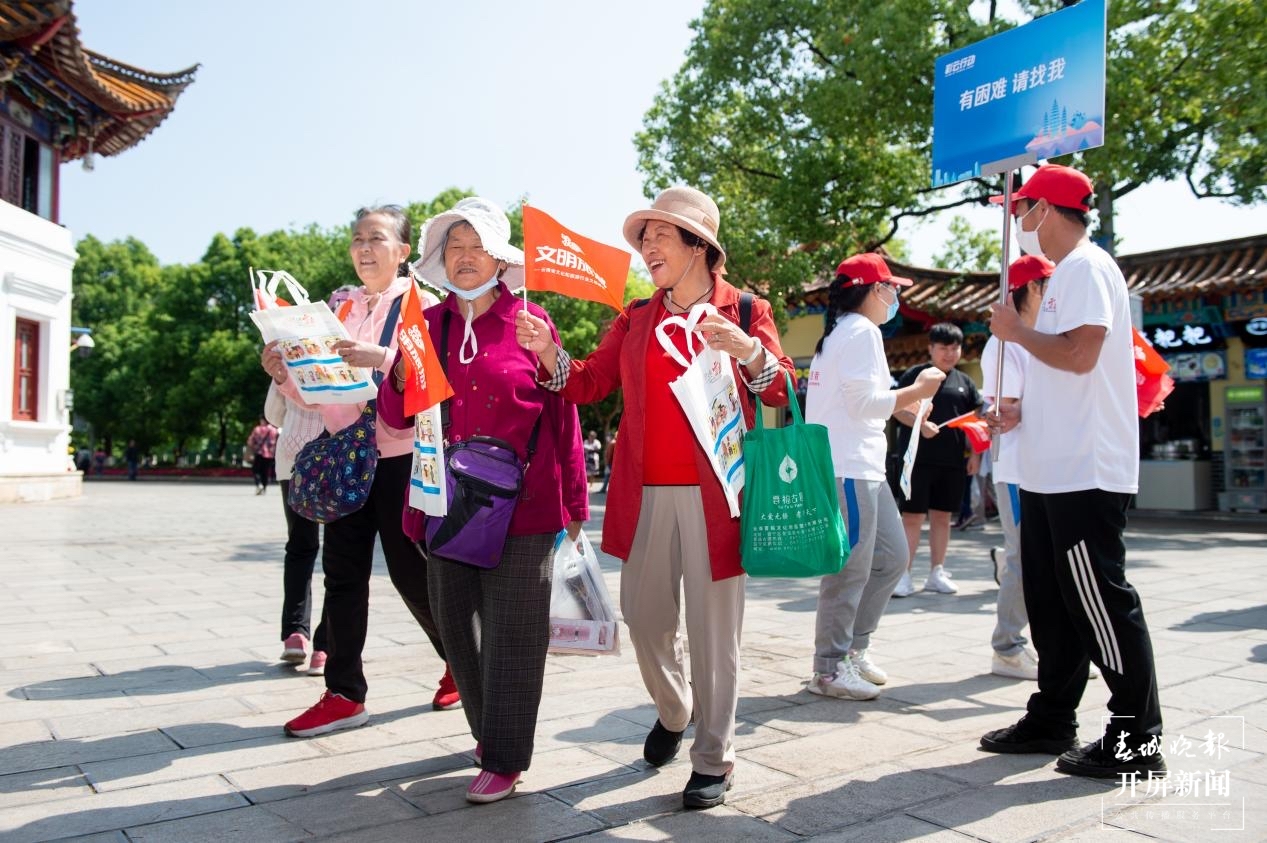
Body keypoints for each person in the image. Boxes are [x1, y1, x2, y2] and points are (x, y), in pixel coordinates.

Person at [517, 186, 795, 810]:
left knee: (714, 632)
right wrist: (547, 353)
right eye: (644, 239)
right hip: (645, 497)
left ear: (700, 246)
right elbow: (587, 383)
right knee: (644, 621)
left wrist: (748, 350)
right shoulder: (638, 318)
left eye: (660, 237)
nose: (647, 249)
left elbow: (781, 389)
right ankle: (675, 709)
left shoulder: (747, 310)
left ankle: (714, 758)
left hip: (718, 497)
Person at [379, 196, 588, 805]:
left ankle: (505, 755)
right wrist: (397, 372)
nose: (466, 257)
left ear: (500, 257)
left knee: (514, 633)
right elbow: (395, 413)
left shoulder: (532, 321)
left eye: (477, 246)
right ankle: (488, 731)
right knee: (458, 629)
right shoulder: (426, 326)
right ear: (441, 260)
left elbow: (564, 412)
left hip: (523, 508)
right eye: (454, 247)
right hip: (443, 504)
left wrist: (574, 503)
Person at [980, 163, 1164, 779]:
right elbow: (1067, 375)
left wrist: (1016, 331)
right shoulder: (1067, 275)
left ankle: (1138, 739)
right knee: (1052, 601)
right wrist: (1020, 411)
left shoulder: (1087, 266)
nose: (1018, 223)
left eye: (1022, 210)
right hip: (1049, 467)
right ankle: (1052, 714)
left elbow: (1081, 354)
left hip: (1086, 469)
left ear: (1049, 210)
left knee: (1100, 600)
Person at [261, 204, 455, 739]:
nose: (364, 248)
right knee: (342, 576)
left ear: (403, 251)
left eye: (376, 238)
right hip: (344, 453)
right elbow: (314, 390)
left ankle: (461, 660)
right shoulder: (337, 308)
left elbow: (434, 381)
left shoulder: (426, 306)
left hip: (401, 457)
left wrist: (382, 357)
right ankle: (344, 693)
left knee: (411, 573)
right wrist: (284, 374)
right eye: (356, 239)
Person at [805, 254, 945, 701]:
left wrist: (913, 412)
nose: (895, 297)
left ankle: (851, 650)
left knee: (890, 557)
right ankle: (829, 668)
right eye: (891, 288)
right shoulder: (861, 333)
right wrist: (920, 390)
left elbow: (872, 398)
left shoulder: (843, 334)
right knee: (851, 570)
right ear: (870, 289)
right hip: (849, 467)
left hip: (862, 466)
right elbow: (866, 404)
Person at [891, 323, 983, 596]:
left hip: (952, 461)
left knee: (943, 518)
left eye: (955, 348)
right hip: (917, 459)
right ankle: (903, 575)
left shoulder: (964, 382)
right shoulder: (916, 376)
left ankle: (936, 571)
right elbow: (896, 409)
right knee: (912, 518)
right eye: (943, 347)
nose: (949, 353)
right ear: (931, 348)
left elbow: (974, 421)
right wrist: (920, 425)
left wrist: (975, 455)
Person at [265, 380, 330, 675]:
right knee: (342, 554)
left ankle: (295, 634)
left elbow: (273, 414)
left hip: (293, 459)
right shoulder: (351, 347)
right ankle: (326, 646)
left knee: (300, 547)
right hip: (337, 459)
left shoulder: (287, 353)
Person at [246, 418, 278, 495]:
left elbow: (250, 441)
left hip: (259, 453)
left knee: (256, 470)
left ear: (263, 420)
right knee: (266, 472)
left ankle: (259, 484)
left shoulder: (257, 429)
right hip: (270, 454)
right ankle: (264, 488)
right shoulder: (274, 430)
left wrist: (253, 447)